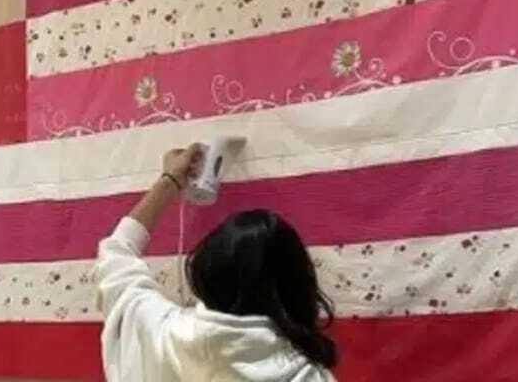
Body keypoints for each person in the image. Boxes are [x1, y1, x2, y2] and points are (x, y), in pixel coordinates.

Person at [95, 144, 338, 381]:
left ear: (206, 272)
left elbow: (117, 253)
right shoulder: (307, 375)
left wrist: (170, 181)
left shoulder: (163, 334)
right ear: (299, 287)